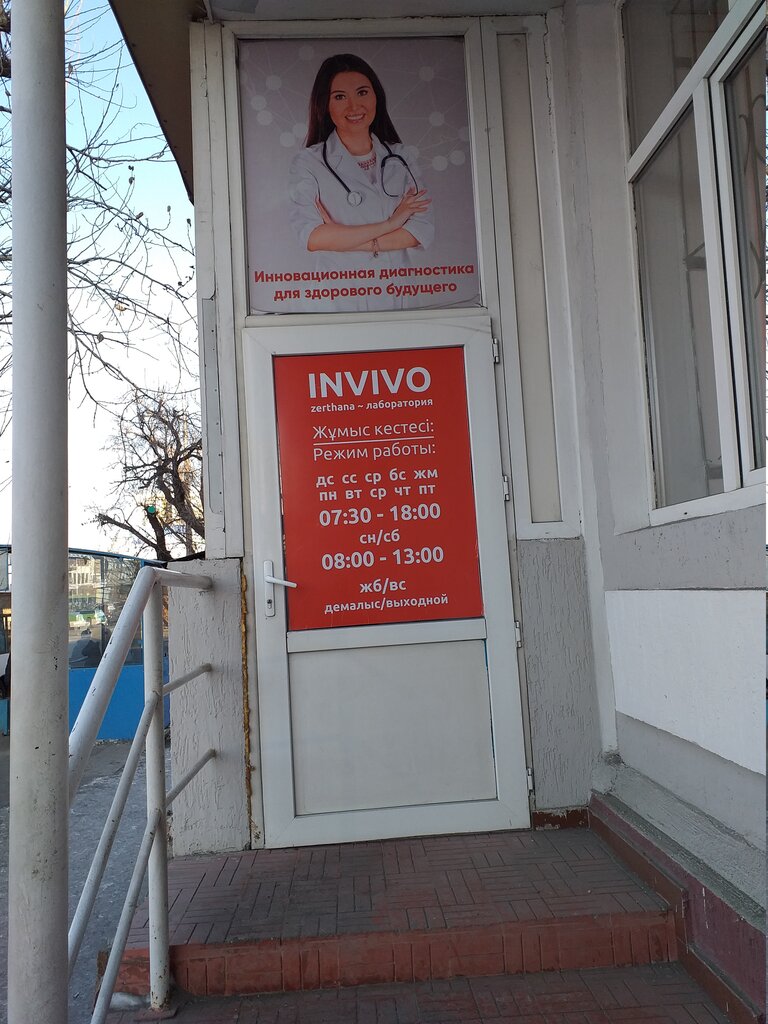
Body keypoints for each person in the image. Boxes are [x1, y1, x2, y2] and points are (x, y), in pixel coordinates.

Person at [288, 53, 434, 299]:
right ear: (325, 104)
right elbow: (313, 237)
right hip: (341, 296)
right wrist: (390, 225)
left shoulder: (401, 156)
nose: (354, 106)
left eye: (362, 92)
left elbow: (420, 230)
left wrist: (345, 239)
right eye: (340, 97)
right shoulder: (309, 162)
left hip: (396, 293)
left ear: (377, 96)